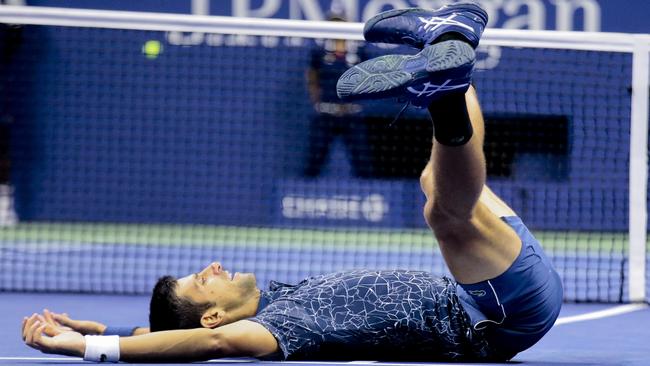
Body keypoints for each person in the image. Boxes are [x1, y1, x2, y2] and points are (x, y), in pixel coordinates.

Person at [21, 2, 563, 363]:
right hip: (496, 316)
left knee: (435, 181)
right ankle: (446, 84)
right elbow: (211, 340)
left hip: (483, 284)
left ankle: (446, 43)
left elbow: (164, 335)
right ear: (214, 312)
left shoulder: (270, 298)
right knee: (444, 211)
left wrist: (93, 333)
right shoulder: (275, 330)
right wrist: (98, 353)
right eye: (201, 281)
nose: (210, 265)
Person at [303, 10, 371, 178]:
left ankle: (370, 195)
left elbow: (369, 75)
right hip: (326, 114)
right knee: (315, 158)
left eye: (340, 24)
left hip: (352, 115)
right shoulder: (320, 53)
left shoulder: (358, 53)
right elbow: (312, 76)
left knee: (362, 161)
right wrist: (316, 99)